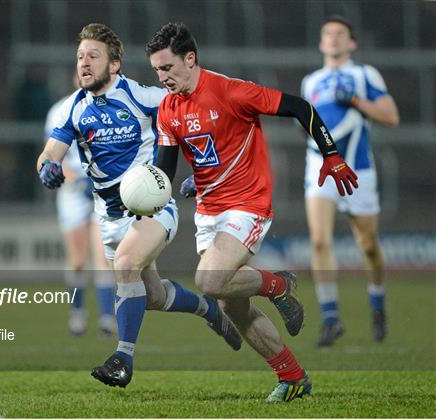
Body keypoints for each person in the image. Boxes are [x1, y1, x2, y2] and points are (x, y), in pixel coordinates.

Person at [146, 22, 358, 403]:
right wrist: (147, 193)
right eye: (157, 71)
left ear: (190, 59)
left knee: (209, 282)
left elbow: (299, 106)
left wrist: (332, 155)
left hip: (248, 203)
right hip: (209, 212)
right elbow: (164, 169)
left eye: (168, 68)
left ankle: (279, 285)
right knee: (231, 304)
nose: (162, 78)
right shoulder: (167, 110)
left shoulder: (230, 90)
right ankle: (292, 376)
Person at [36, 23, 242, 389]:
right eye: (80, 56)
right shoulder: (73, 108)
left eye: (93, 56)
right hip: (109, 217)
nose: (84, 63)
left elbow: (192, 124)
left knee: (127, 266)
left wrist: (202, 170)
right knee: (153, 296)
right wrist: (48, 168)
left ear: (114, 65)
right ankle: (209, 310)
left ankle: (122, 359)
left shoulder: (144, 97)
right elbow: (49, 154)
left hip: (152, 208)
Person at [301, 15, 399, 347]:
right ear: (320, 43)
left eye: (340, 34)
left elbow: (391, 117)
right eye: (327, 33)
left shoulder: (363, 74)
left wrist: (355, 101)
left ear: (352, 42)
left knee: (368, 246)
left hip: (358, 169)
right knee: (318, 241)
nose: (333, 38)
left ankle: (377, 301)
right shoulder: (311, 81)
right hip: (319, 165)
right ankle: (330, 318)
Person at [44, 74, 116, 337]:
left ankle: (107, 318)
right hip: (73, 190)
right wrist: (76, 180)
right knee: (77, 260)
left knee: (102, 258)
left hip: (102, 189)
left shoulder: (110, 108)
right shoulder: (60, 111)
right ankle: (77, 312)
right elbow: (52, 155)